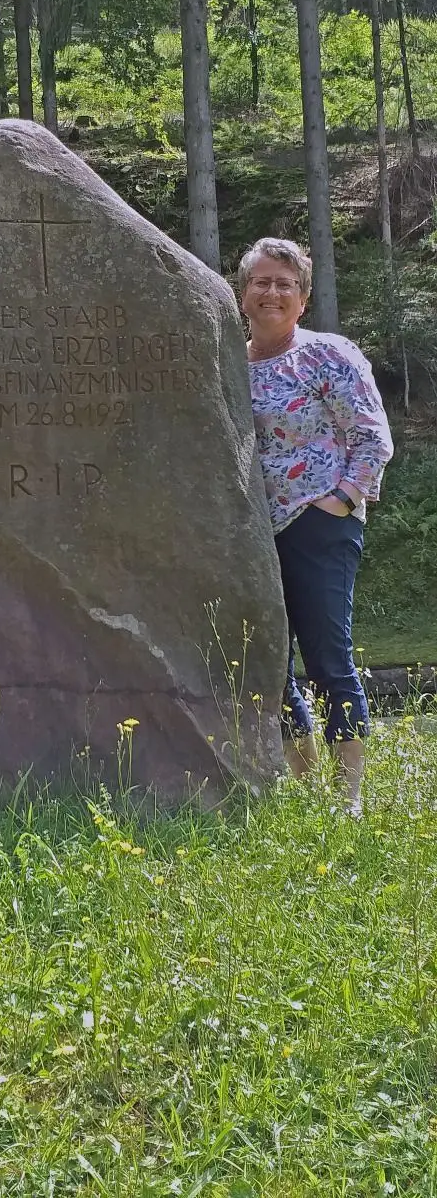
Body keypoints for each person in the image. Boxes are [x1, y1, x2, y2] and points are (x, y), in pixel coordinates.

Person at [239, 238, 394, 816]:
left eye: (285, 284)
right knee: (270, 663)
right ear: (243, 293)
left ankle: (348, 798)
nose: (272, 293)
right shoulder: (227, 360)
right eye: (261, 281)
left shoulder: (327, 355)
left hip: (318, 522)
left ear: (302, 299)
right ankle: (307, 793)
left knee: (328, 659)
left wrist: (343, 499)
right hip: (251, 532)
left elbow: (372, 436)